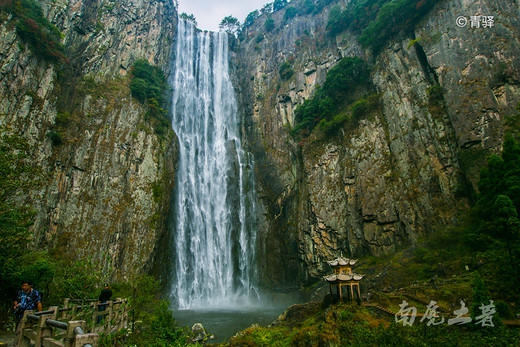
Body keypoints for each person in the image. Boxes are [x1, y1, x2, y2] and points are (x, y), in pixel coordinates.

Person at [13, 280, 42, 346]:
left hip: (28, 314)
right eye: (23, 285)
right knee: (21, 329)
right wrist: (16, 305)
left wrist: (40, 314)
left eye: (25, 285)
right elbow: (16, 300)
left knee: (20, 330)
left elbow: (38, 303)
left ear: (30, 285)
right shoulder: (20, 292)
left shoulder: (35, 293)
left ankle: (16, 344)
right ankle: (25, 344)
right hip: (19, 313)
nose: (24, 287)